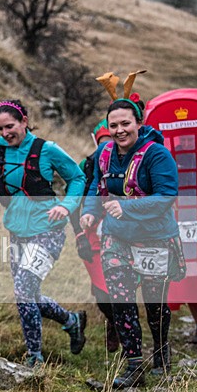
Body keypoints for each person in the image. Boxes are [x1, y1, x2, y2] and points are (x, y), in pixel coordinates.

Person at [81, 73, 185, 387]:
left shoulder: (156, 155)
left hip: (154, 238)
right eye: (113, 125)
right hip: (117, 237)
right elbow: (96, 189)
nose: (119, 130)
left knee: (155, 304)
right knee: (121, 300)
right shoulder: (104, 154)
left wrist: (124, 206)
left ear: (137, 123)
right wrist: (89, 213)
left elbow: (166, 196)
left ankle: (162, 355)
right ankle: (134, 367)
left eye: (125, 123)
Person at [0, 99, 87, 368]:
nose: (5, 133)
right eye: (0, 128)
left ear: (24, 121)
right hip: (17, 232)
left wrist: (67, 207)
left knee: (24, 290)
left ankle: (34, 358)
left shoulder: (47, 150)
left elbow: (77, 178)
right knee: (29, 295)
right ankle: (72, 321)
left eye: (10, 126)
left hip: (48, 230)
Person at [70, 119, 120, 353]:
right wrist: (80, 234)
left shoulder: (132, 162)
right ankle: (114, 321)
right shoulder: (87, 165)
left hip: (123, 229)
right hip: (92, 232)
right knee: (101, 291)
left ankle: (125, 327)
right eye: (104, 142)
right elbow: (74, 202)